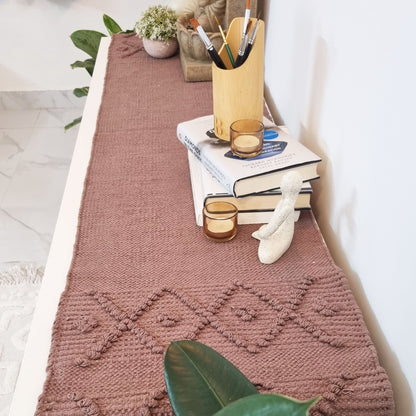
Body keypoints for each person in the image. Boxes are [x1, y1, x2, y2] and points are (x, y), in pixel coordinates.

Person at [252, 171, 303, 264]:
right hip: (274, 230)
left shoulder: (287, 206)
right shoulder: (284, 201)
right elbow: (274, 220)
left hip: (283, 235)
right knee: (265, 231)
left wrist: (262, 235)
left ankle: (266, 237)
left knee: (266, 258)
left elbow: (275, 225)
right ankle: (265, 234)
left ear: (283, 186)